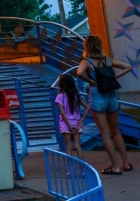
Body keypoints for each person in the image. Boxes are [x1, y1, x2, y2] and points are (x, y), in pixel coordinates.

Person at [76, 35, 133, 175]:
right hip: (112, 94)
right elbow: (128, 67)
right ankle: (126, 163)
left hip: (97, 95)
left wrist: (93, 82)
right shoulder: (107, 60)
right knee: (116, 131)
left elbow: (79, 73)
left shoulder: (87, 62)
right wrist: (114, 78)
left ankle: (115, 167)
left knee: (105, 133)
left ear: (87, 47)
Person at [55, 74, 89, 160]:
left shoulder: (60, 96)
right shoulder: (76, 95)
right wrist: (82, 120)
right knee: (78, 146)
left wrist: (69, 126)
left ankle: (71, 170)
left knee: (68, 146)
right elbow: (87, 107)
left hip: (65, 124)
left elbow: (62, 113)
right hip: (77, 123)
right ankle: (82, 169)